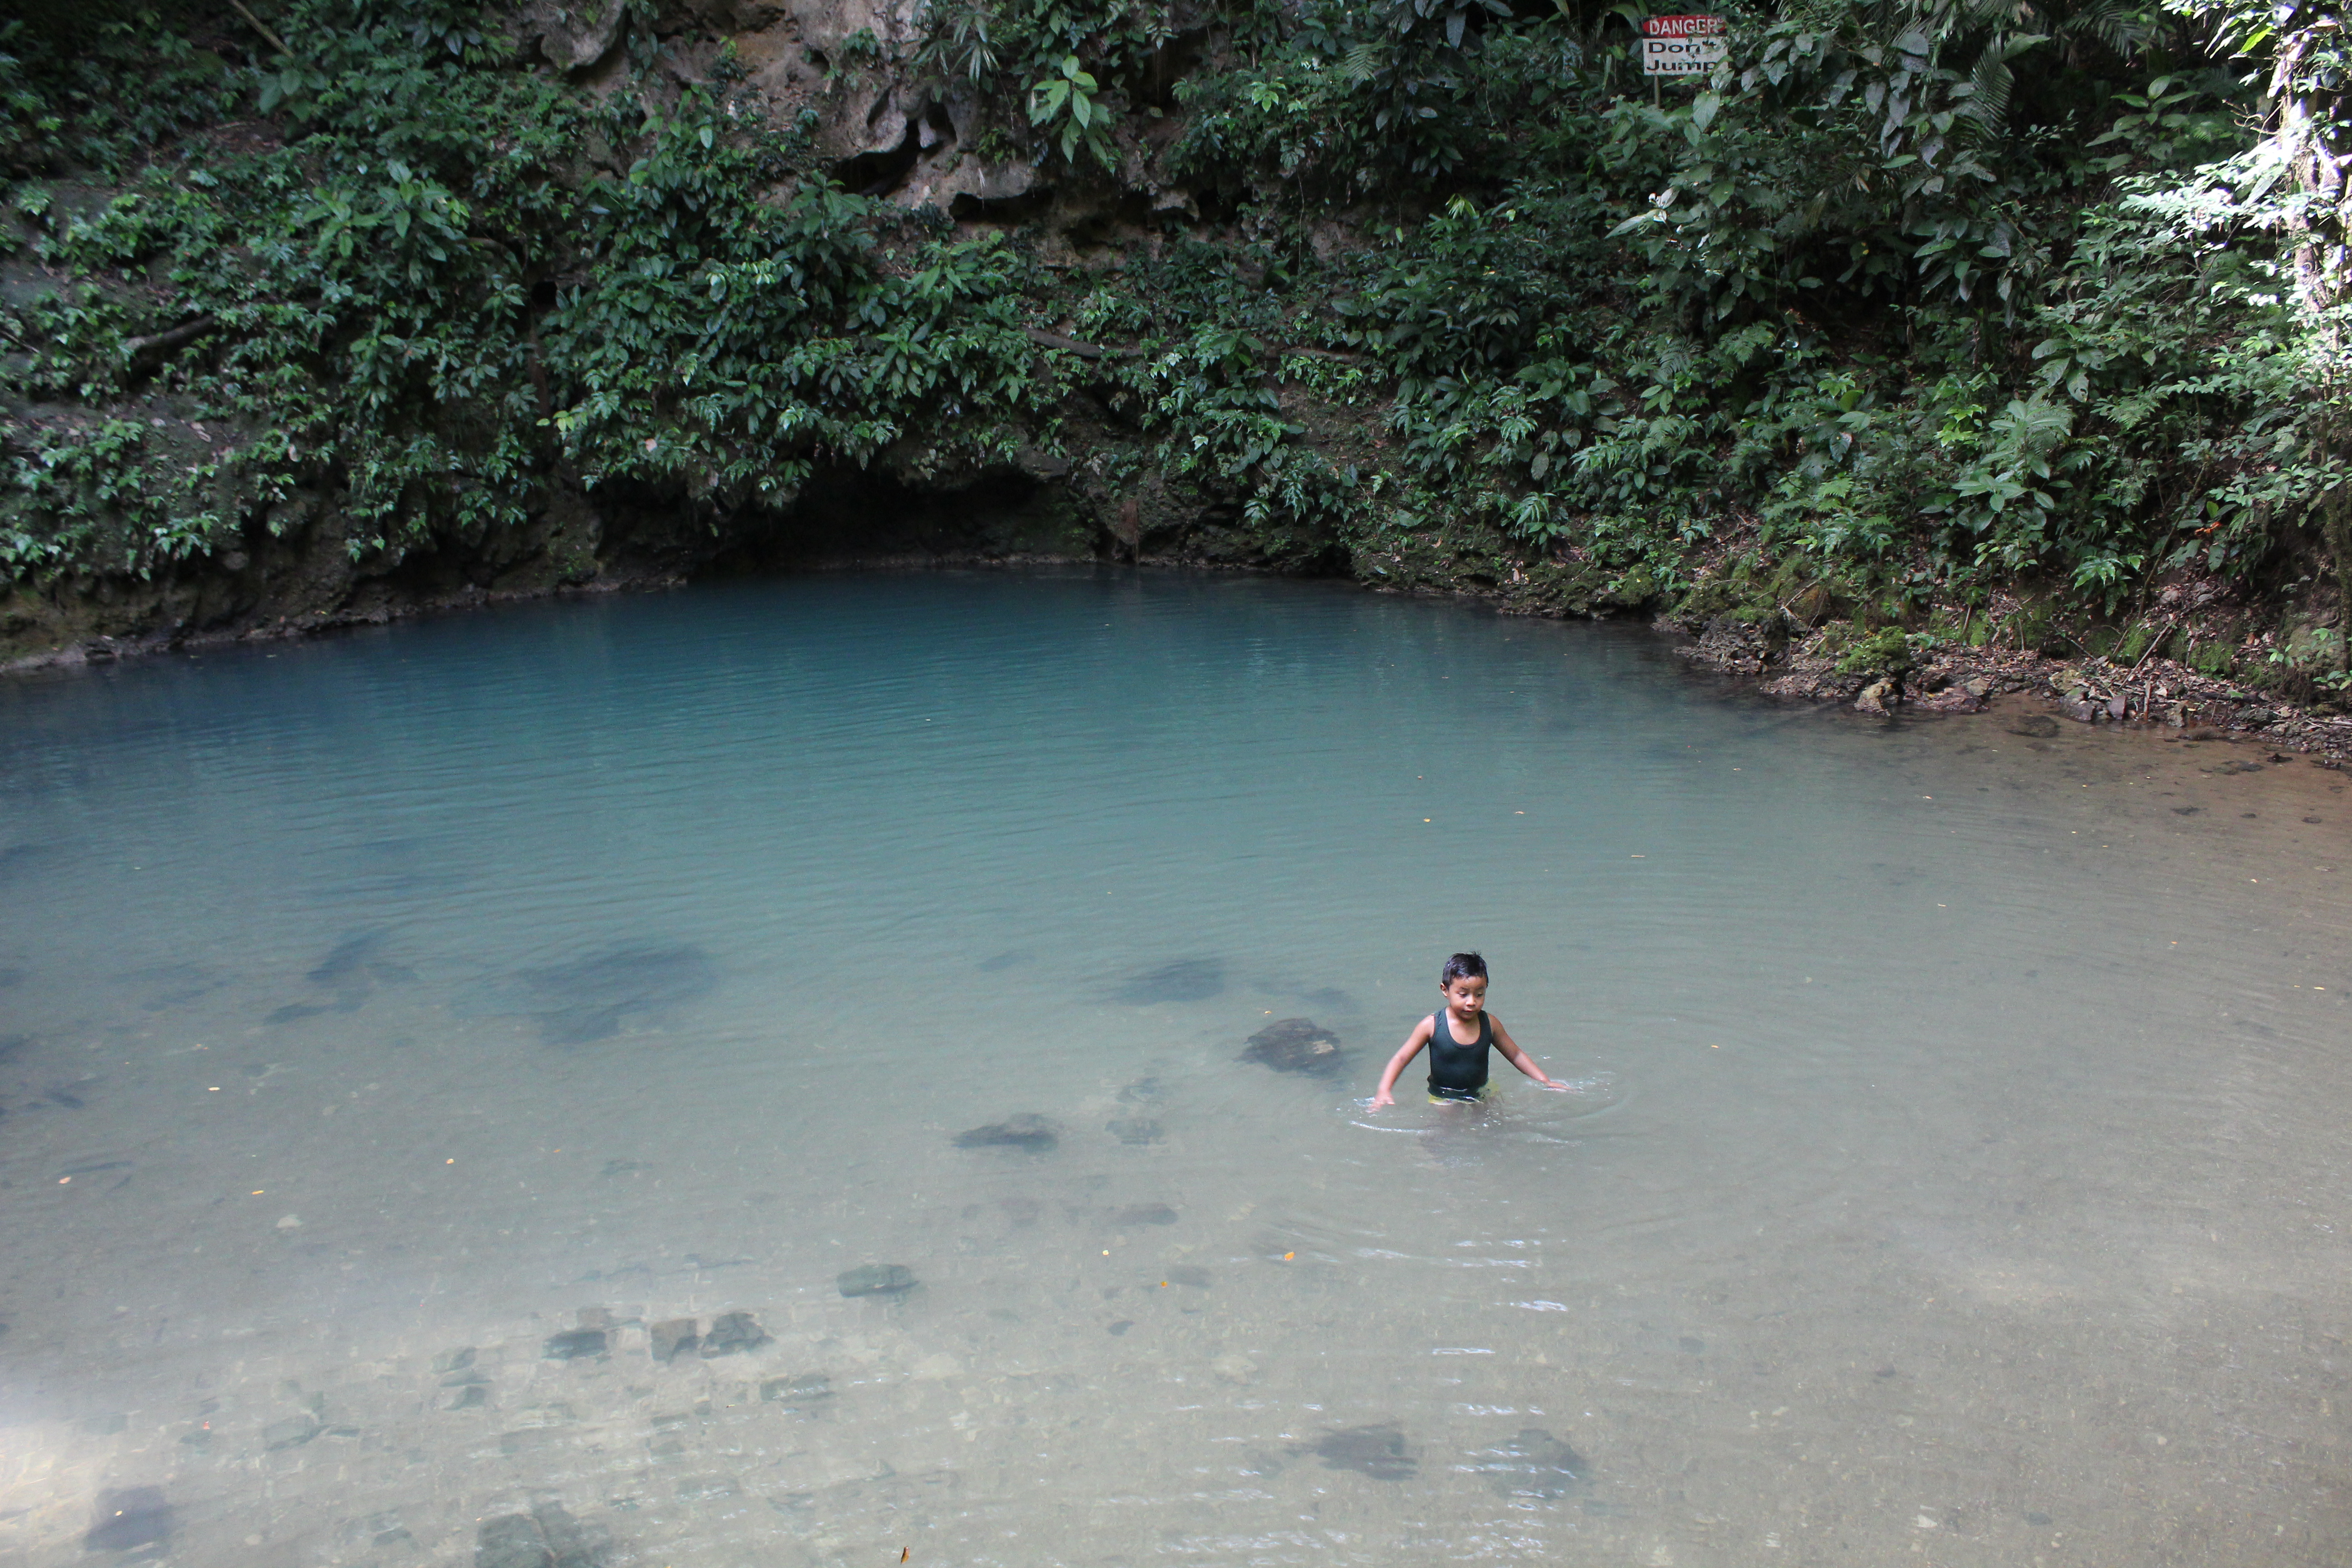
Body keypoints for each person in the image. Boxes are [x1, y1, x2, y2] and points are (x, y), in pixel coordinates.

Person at [1369, 952, 1567, 1107]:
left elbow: (1516, 1055)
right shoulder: (1432, 1026)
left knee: (1496, 1129)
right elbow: (1402, 1058)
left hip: (1482, 1090)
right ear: (1445, 990)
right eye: (1463, 994)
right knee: (1448, 1138)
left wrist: (1545, 1081)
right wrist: (1384, 1090)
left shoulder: (1490, 1023)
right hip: (1444, 1097)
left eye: (1479, 994)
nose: (1472, 1002)